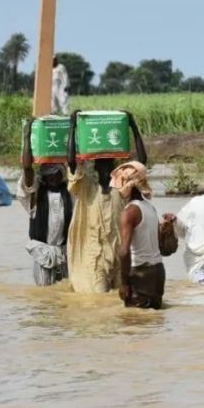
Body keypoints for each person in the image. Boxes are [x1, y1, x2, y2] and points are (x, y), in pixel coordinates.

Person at [66, 110, 147, 293]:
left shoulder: (122, 186)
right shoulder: (86, 187)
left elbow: (141, 162)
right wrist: (72, 127)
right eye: (102, 164)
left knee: (118, 302)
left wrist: (133, 127)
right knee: (100, 298)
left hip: (119, 256)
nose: (106, 167)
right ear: (96, 166)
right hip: (95, 258)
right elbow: (71, 162)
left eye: (109, 164)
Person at [18, 121, 73, 285]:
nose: (53, 177)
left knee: (63, 296)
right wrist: (27, 136)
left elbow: (74, 165)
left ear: (61, 174)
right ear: (43, 175)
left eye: (56, 173)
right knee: (44, 295)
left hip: (64, 255)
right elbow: (27, 169)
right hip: (43, 256)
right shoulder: (35, 195)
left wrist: (72, 129)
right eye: (49, 173)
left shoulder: (69, 194)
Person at [115, 161, 168, 309]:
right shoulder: (150, 208)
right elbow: (158, 244)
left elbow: (124, 252)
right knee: (153, 320)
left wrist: (124, 284)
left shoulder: (129, 212)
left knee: (133, 321)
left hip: (139, 274)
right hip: (158, 273)